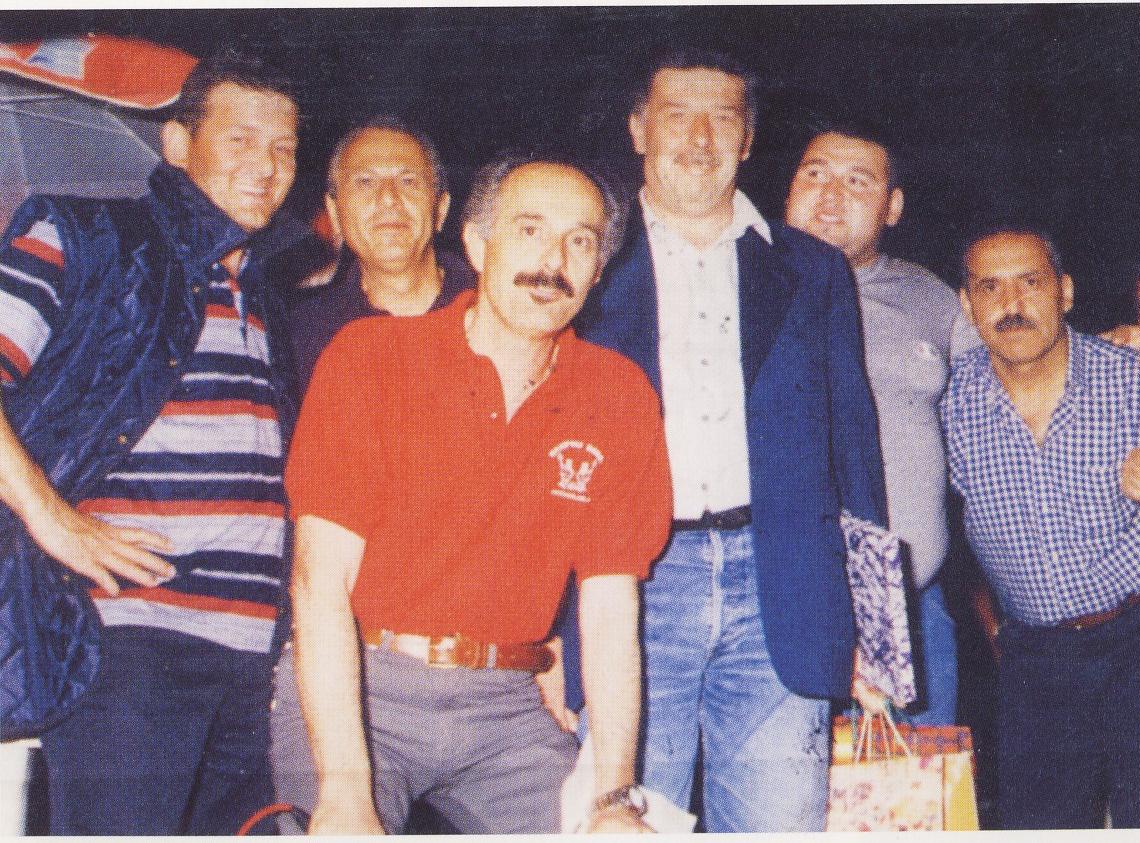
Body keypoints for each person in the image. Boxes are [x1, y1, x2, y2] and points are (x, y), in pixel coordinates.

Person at [273, 152, 668, 835]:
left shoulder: (618, 394)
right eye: (530, 231)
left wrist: (613, 798)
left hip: (506, 706)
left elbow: (609, 611)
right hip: (365, 685)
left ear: (599, 271)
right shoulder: (371, 359)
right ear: (478, 246)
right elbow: (318, 582)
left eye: (580, 242)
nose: (554, 262)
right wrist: (344, 788)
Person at [573, 47, 888, 832]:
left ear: (748, 139)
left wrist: (878, 633)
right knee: (629, 819)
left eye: (722, 118)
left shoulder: (812, 269)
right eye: (677, 116)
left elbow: (854, 449)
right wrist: (547, 632)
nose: (699, 138)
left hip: (782, 586)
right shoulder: (589, 259)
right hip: (632, 587)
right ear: (639, 129)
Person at [0, 50, 301, 833]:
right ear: (176, 143)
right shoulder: (85, 235)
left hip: (250, 665)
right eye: (240, 139)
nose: (266, 165)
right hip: (132, 644)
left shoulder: (263, 294)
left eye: (284, 147)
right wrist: (54, 520)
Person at [943, 227, 1140, 829]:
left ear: (1065, 292)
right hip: (1035, 655)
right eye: (990, 287)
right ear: (967, 305)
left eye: (1030, 282)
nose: (1011, 303)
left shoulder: (1138, 372)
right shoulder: (949, 401)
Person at [783, 119, 972, 725]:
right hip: (772, 619)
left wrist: (1126, 344)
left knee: (914, 786)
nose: (830, 195)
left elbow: (1009, 388)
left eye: (858, 182)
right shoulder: (741, 284)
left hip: (913, 613)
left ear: (893, 207)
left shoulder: (933, 298)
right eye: (815, 174)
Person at [289, 116, 473, 394]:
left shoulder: (496, 311)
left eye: (408, 181)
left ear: (441, 209)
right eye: (365, 182)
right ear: (335, 213)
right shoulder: (301, 334)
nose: (388, 198)